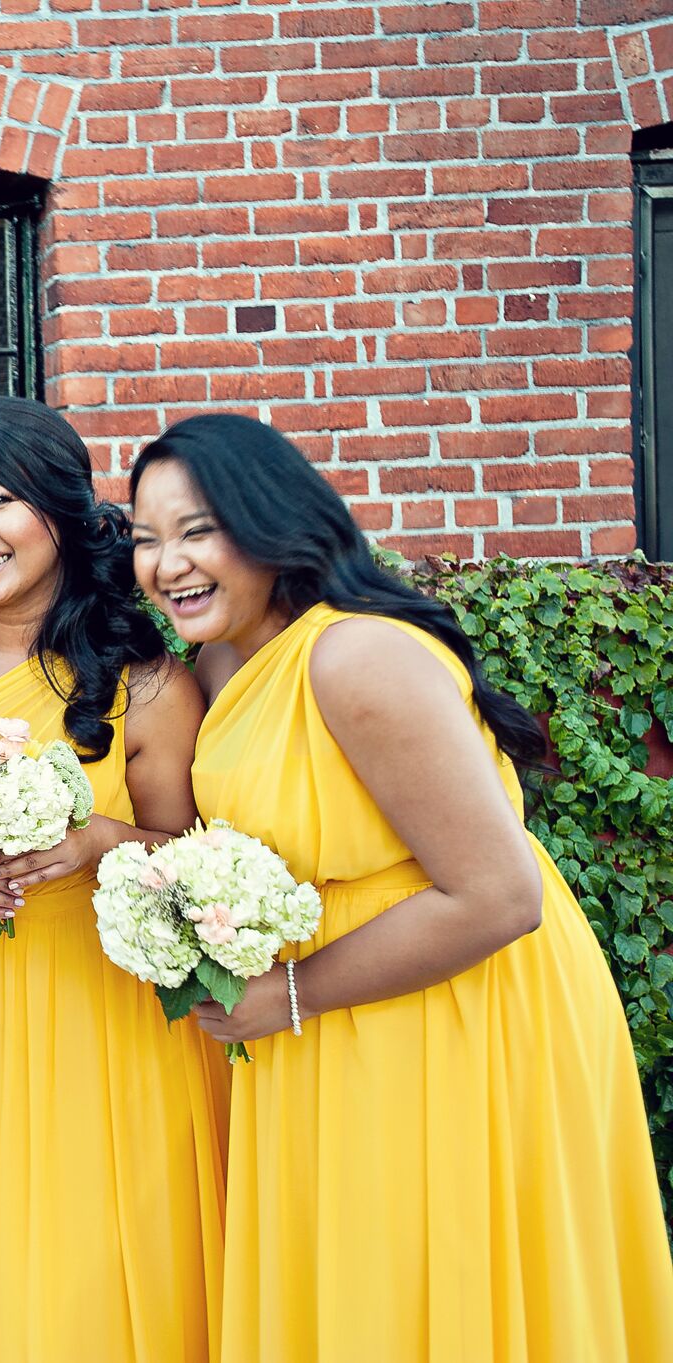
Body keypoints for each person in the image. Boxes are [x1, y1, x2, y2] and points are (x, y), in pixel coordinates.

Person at [130, 413, 673, 1362]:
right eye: (145, 537)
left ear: (270, 522)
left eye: (196, 529)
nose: (166, 561)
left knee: (438, 1280)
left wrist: (288, 994)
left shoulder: (357, 655)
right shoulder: (220, 660)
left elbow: (500, 896)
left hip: (445, 1004)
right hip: (320, 1015)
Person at [0, 397, 224, 1362]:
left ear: (60, 512)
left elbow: (193, 858)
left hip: (103, 1006)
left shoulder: (147, 679)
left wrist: (95, 837)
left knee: (103, 1263)